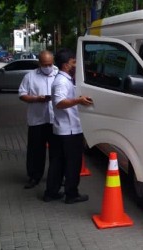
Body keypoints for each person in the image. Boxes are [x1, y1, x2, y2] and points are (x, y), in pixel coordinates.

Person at [43, 48, 93, 203]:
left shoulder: (65, 80)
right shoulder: (61, 82)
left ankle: (51, 192)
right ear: (66, 65)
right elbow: (59, 103)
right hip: (69, 131)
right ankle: (71, 194)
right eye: (74, 62)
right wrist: (78, 100)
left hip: (62, 129)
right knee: (72, 163)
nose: (76, 65)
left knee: (58, 163)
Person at [18, 50, 58, 189]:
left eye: (50, 64)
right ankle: (34, 176)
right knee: (35, 150)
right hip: (37, 120)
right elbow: (22, 94)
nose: (48, 67)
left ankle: (57, 177)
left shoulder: (59, 75)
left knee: (57, 151)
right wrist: (36, 98)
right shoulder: (30, 76)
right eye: (45, 64)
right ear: (39, 63)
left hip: (55, 120)